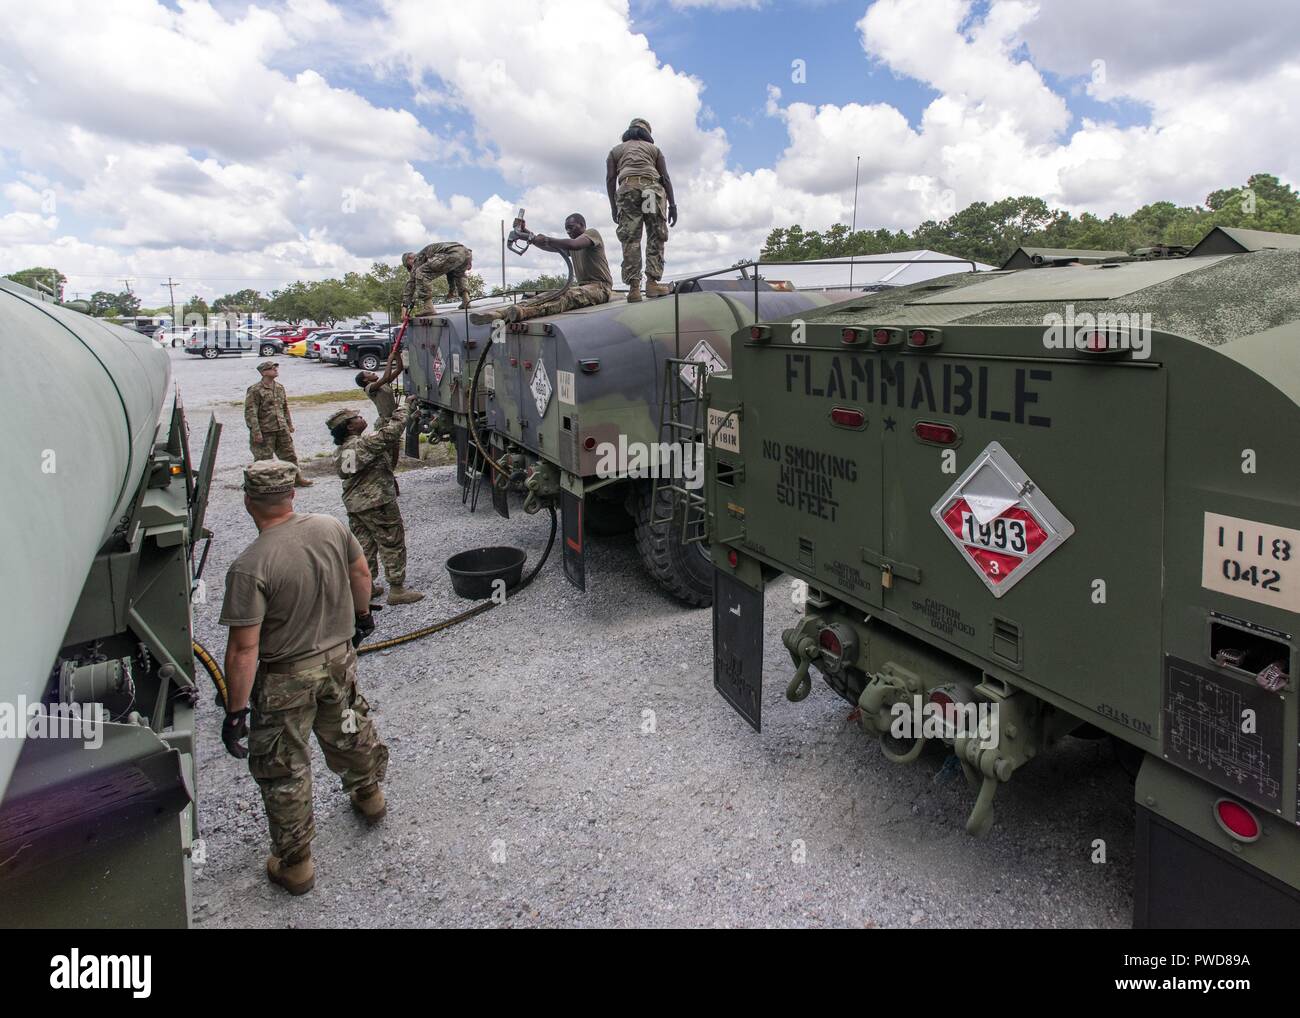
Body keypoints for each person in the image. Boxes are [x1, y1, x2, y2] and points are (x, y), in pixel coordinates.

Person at [218, 459, 388, 896]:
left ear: (248, 503)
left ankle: (296, 866)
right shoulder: (331, 526)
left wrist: (235, 711)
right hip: (339, 663)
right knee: (350, 730)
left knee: (284, 768)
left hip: (285, 680)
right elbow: (361, 573)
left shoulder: (250, 566)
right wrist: (362, 615)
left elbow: (243, 649)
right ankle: (370, 798)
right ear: (292, 493)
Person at [329, 404, 425, 606]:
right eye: (356, 418)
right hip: (377, 502)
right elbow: (391, 433)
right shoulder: (363, 444)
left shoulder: (342, 451)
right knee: (392, 543)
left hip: (355, 505)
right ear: (349, 427)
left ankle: (366, 587)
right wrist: (404, 407)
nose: (361, 418)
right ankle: (397, 590)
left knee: (364, 546)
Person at [469, 213, 612, 325]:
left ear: (582, 225)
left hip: (601, 288)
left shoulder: (591, 234)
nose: (568, 231)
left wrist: (547, 239)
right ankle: (500, 313)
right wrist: (527, 235)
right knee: (551, 294)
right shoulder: (572, 244)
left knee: (567, 297)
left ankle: (524, 312)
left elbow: (573, 244)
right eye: (566, 229)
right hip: (585, 288)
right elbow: (548, 246)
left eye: (571, 227)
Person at [606, 117, 677, 302]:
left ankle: (634, 289)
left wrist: (614, 207)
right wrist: (673, 205)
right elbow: (666, 178)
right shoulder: (654, 150)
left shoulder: (615, 151)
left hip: (627, 189)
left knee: (631, 239)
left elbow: (610, 179)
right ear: (647, 133)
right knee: (656, 234)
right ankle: (652, 284)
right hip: (652, 190)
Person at [244, 360, 311, 486]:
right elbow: (250, 412)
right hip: (265, 430)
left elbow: (284, 407)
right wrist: (256, 432)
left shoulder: (279, 387)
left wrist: (289, 424)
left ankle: (296, 478)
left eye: (275, 367)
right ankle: (261, 483)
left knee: (290, 455)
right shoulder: (255, 390)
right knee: (263, 459)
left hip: (281, 428)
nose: (275, 369)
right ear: (264, 372)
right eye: (271, 368)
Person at [402, 242, 474, 315]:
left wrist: (405, 306)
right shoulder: (431, 252)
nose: (411, 269)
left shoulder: (417, 258)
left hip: (452, 253)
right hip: (466, 253)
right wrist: (451, 291)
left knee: (420, 272)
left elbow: (411, 284)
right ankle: (466, 301)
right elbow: (450, 273)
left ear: (409, 259)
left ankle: (428, 308)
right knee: (459, 274)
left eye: (409, 267)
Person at [355, 370, 399, 468]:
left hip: (392, 420)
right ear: (365, 380)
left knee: (395, 450)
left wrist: (396, 356)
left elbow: (399, 369)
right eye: (369, 373)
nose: (372, 373)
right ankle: (385, 473)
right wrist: (390, 359)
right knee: (386, 452)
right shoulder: (369, 388)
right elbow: (386, 377)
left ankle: (389, 473)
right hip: (385, 423)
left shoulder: (383, 384)